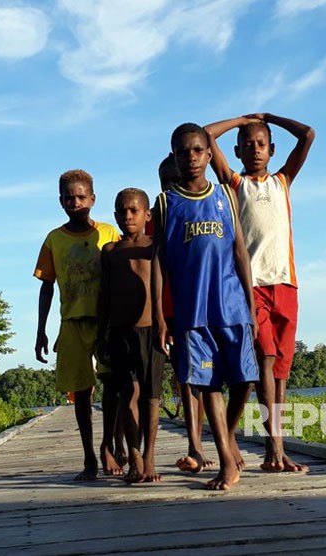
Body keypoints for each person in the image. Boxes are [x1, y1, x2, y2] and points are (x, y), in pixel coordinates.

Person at [205, 113, 315, 472]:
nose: (254, 149)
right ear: (237, 150)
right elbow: (207, 135)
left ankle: (274, 447)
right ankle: (275, 449)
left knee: (280, 372)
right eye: (248, 144)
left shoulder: (282, 181)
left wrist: (268, 118)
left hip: (286, 284)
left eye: (261, 143)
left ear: (271, 149)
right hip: (251, 288)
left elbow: (308, 134)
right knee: (265, 359)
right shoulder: (234, 184)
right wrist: (242, 120)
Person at [152, 123, 259, 491]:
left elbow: (240, 250)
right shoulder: (166, 202)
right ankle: (228, 462)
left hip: (230, 303)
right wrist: (160, 317)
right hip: (192, 311)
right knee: (208, 383)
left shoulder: (225, 195)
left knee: (246, 378)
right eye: (183, 153)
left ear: (209, 154)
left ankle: (226, 438)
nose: (191, 158)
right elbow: (159, 262)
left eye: (197, 151)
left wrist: (251, 302)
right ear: (174, 157)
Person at [34, 169, 122, 481]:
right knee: (82, 393)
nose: (75, 202)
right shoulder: (54, 240)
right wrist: (41, 331)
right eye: (69, 198)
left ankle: (108, 446)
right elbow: (46, 285)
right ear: (60, 201)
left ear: (93, 199)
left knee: (113, 386)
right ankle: (88, 458)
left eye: (81, 196)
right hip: (70, 323)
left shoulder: (109, 234)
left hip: (106, 323)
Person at [98, 188, 165, 483]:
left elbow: (164, 291)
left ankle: (149, 456)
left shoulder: (155, 246)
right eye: (122, 211)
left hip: (152, 330)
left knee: (151, 397)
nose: (128, 216)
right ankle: (134, 454)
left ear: (147, 215)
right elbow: (104, 296)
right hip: (120, 332)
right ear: (115, 216)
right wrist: (102, 334)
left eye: (134, 211)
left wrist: (166, 325)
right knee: (128, 393)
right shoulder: (110, 252)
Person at [157, 153, 214, 473]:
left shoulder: (199, 214)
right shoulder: (157, 215)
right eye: (166, 182)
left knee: (198, 379)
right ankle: (191, 443)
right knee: (182, 378)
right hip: (165, 311)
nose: (172, 187)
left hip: (196, 308)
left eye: (176, 181)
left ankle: (198, 442)